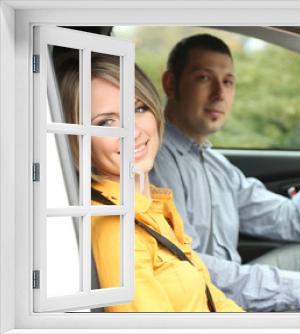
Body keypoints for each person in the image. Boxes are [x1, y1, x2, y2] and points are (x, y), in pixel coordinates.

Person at [149, 34, 300, 312]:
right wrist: (296, 288)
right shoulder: (155, 160)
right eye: (205, 78)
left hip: (230, 284)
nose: (219, 93)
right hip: (207, 305)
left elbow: (292, 219)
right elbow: (187, 269)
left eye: (228, 82)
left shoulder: (217, 166)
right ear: (170, 84)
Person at [56, 53, 244, 312]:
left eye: (138, 108)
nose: (133, 132)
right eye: (107, 121)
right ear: (78, 138)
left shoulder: (153, 202)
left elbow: (211, 297)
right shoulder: (116, 227)